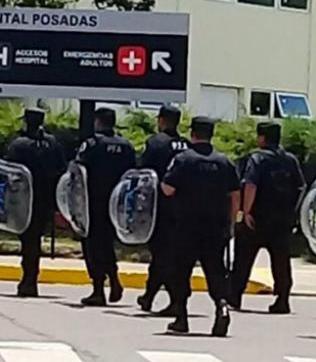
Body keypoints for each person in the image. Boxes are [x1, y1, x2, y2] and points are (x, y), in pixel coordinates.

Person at [161, 116, 240, 336]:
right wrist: (231, 224)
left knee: (181, 271)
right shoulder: (224, 162)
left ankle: (181, 317)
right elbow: (235, 195)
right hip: (216, 228)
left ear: (192, 133)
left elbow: (168, 189)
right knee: (215, 271)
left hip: (186, 227)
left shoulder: (183, 159)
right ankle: (222, 305)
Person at [230, 122, 306, 314]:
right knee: (281, 261)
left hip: (257, 217)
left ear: (262, 138)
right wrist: (293, 212)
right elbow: (301, 187)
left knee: (243, 259)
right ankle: (283, 298)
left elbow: (251, 185)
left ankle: (234, 296)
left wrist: (246, 212)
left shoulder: (257, 158)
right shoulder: (290, 160)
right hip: (282, 220)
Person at [76, 108, 136, 306]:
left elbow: (77, 171)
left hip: (94, 203)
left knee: (93, 246)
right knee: (107, 243)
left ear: (98, 122)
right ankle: (114, 278)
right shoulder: (126, 145)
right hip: (117, 204)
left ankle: (99, 289)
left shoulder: (92, 144)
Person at [6, 108, 66, 297]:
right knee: (35, 239)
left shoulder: (19, 145)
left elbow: (8, 171)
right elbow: (61, 169)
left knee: (28, 240)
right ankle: (30, 278)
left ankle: (29, 280)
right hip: (45, 199)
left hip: (23, 200)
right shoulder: (52, 144)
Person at [137, 106, 190, 315]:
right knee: (169, 254)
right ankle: (149, 295)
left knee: (162, 254)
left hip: (161, 207)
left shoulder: (155, 143)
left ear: (161, 120)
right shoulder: (186, 144)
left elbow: (144, 172)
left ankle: (173, 298)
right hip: (184, 208)